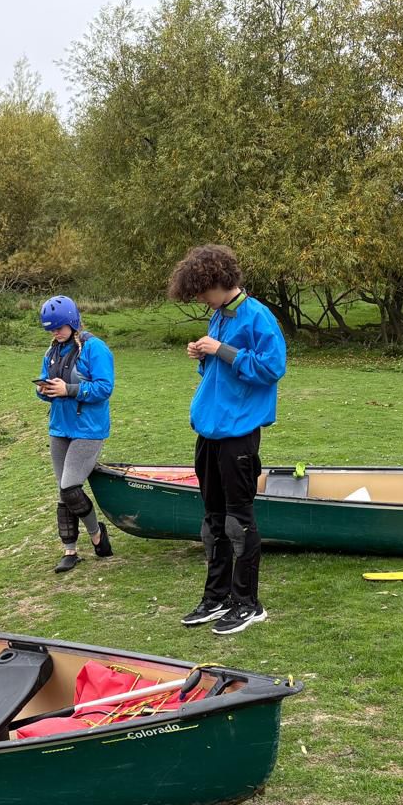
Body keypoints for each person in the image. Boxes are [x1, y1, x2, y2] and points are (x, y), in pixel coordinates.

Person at [166, 244, 287, 635]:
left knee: (238, 521)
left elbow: (272, 368)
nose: (201, 299)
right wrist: (205, 355)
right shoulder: (219, 315)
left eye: (202, 291)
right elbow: (219, 373)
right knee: (213, 519)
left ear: (218, 281)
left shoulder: (258, 316)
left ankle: (248, 604)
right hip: (209, 431)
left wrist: (223, 350)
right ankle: (216, 597)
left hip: (239, 434)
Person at [35, 295, 115, 573]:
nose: (55, 333)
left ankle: (97, 535)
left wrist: (68, 390)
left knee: (70, 488)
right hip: (60, 427)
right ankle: (70, 550)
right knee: (62, 492)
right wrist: (44, 390)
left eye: (59, 328)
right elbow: (47, 385)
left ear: (72, 321)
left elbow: (104, 388)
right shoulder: (52, 351)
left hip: (88, 430)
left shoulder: (95, 348)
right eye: (51, 330)